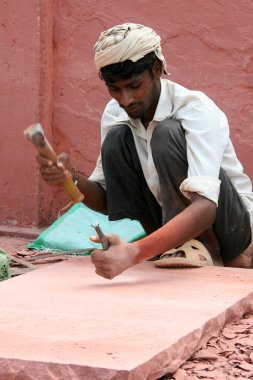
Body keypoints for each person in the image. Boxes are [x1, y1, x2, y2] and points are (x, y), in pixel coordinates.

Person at [37, 23, 253, 279]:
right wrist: (70, 179)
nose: (126, 99)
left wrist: (133, 252)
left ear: (157, 70)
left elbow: (206, 206)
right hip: (170, 231)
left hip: (232, 230)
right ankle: (169, 249)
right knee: (117, 138)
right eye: (115, 89)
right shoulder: (116, 114)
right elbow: (107, 198)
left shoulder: (196, 110)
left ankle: (210, 253)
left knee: (166, 134)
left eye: (134, 85)